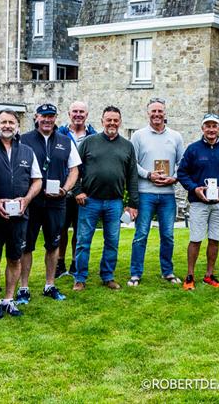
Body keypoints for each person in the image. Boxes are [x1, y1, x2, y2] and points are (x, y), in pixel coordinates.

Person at [0, 109, 43, 318]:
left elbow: (37, 180)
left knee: (15, 259)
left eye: (11, 122)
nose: (7, 126)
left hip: (20, 217)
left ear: (17, 126)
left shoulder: (27, 152)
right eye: (3, 122)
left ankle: (9, 299)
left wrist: (27, 199)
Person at [18, 104, 81, 302]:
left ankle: (49, 285)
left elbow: (75, 169)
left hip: (57, 202)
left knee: (53, 245)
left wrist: (66, 189)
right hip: (32, 202)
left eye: (51, 116)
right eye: (44, 116)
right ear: (36, 117)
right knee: (26, 246)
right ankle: (23, 288)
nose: (47, 120)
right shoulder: (24, 140)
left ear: (56, 118)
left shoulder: (65, 140)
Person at [72, 106, 139, 291]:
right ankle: (80, 278)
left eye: (115, 120)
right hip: (89, 201)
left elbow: (132, 176)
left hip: (115, 202)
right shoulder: (88, 142)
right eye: (108, 120)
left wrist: (133, 203)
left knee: (112, 241)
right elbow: (74, 168)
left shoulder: (127, 146)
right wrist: (77, 190)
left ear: (120, 122)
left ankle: (107, 276)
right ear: (102, 121)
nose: (112, 123)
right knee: (83, 241)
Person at [176, 114, 219, 290]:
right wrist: (194, 188)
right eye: (208, 126)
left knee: (214, 239)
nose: (211, 129)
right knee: (196, 239)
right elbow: (182, 173)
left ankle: (209, 275)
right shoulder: (193, 149)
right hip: (198, 202)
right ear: (202, 128)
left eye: (214, 126)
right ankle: (190, 276)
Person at [128, 98, 185, 286]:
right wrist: (148, 175)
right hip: (146, 193)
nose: (157, 114)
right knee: (141, 234)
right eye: (153, 111)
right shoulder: (138, 136)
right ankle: (135, 273)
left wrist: (174, 178)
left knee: (167, 235)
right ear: (148, 113)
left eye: (160, 111)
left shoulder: (175, 136)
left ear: (165, 113)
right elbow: (132, 164)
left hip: (168, 194)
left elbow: (181, 163)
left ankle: (167, 272)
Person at [56, 100, 96, 278]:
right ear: (69, 113)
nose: (78, 114)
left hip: (85, 191)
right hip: (63, 189)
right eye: (75, 111)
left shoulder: (94, 136)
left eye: (82, 111)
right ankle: (59, 262)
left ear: (87, 114)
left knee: (80, 230)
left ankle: (75, 263)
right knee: (61, 229)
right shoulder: (59, 134)